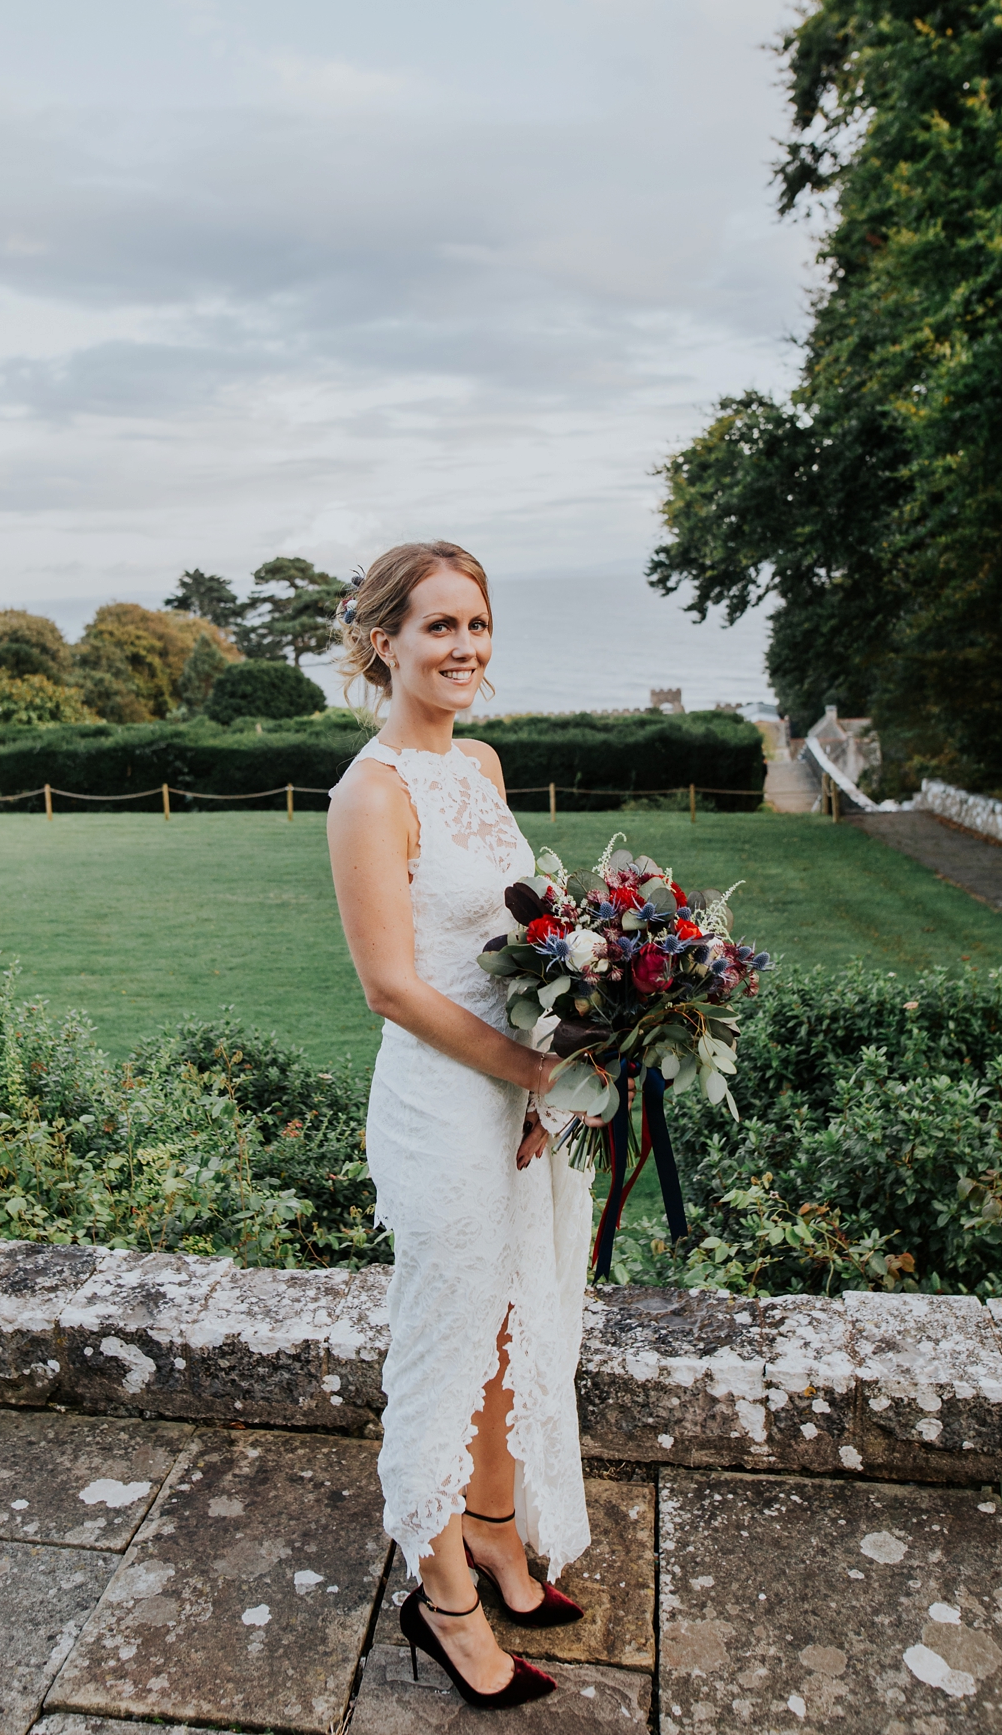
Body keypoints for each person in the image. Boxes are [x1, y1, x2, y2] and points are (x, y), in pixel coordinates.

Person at [326, 541, 611, 1710]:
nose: (464, 650)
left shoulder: (482, 765)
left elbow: (516, 940)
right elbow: (392, 985)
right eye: (438, 627)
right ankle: (441, 1601)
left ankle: (498, 1532)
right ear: (383, 641)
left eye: (477, 625)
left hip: (523, 1097)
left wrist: (593, 1005)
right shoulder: (369, 794)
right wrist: (532, 1076)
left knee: (512, 1326)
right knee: (444, 1352)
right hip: (447, 1109)